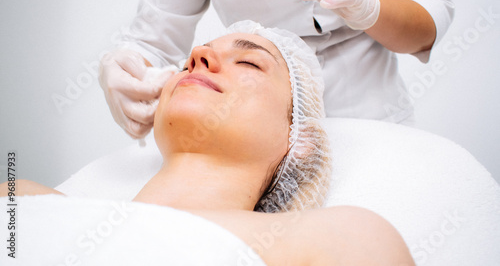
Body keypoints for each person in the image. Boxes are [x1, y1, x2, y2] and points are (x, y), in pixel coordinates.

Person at [1, 22, 415, 265]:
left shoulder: (343, 239)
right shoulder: (21, 199)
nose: (197, 55)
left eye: (250, 61)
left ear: (299, 140)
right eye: (188, 62)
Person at [99, 0, 455, 140]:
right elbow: (151, 43)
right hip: (258, 138)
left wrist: (369, 7)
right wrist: (125, 69)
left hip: (371, 120)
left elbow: (425, 25)